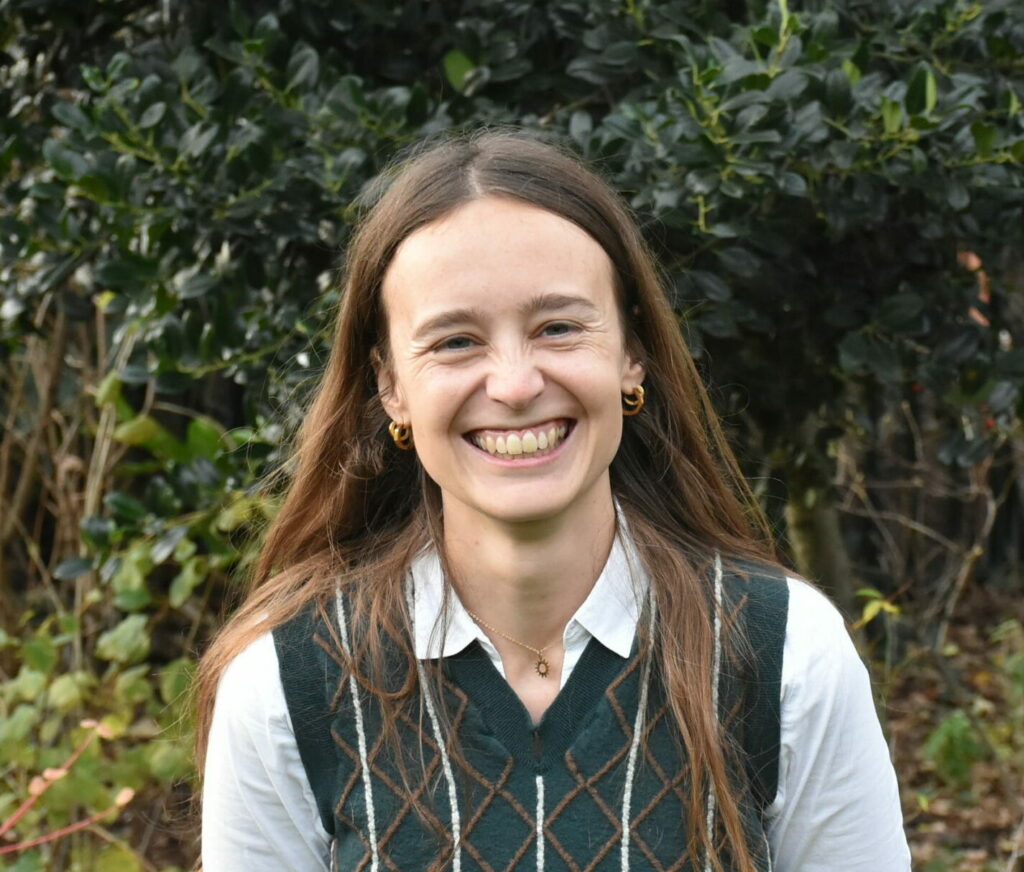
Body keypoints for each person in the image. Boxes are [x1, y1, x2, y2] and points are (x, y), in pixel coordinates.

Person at [196, 130, 911, 872]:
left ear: (632, 354)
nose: (514, 385)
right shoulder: (287, 683)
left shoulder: (785, 653)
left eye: (559, 328)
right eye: (454, 341)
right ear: (390, 387)